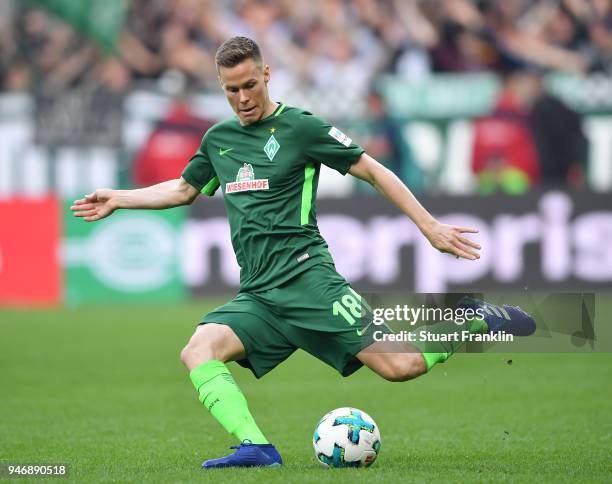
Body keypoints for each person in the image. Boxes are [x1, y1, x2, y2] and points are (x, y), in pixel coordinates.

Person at [71, 37, 535, 469]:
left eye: (250, 85)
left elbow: (373, 171)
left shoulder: (300, 127)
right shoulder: (219, 140)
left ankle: (472, 319)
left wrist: (429, 226)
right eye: (231, 90)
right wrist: (120, 197)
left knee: (401, 366)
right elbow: (183, 189)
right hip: (258, 294)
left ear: (267, 75)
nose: (243, 98)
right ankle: (257, 447)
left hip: (308, 280)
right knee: (197, 350)